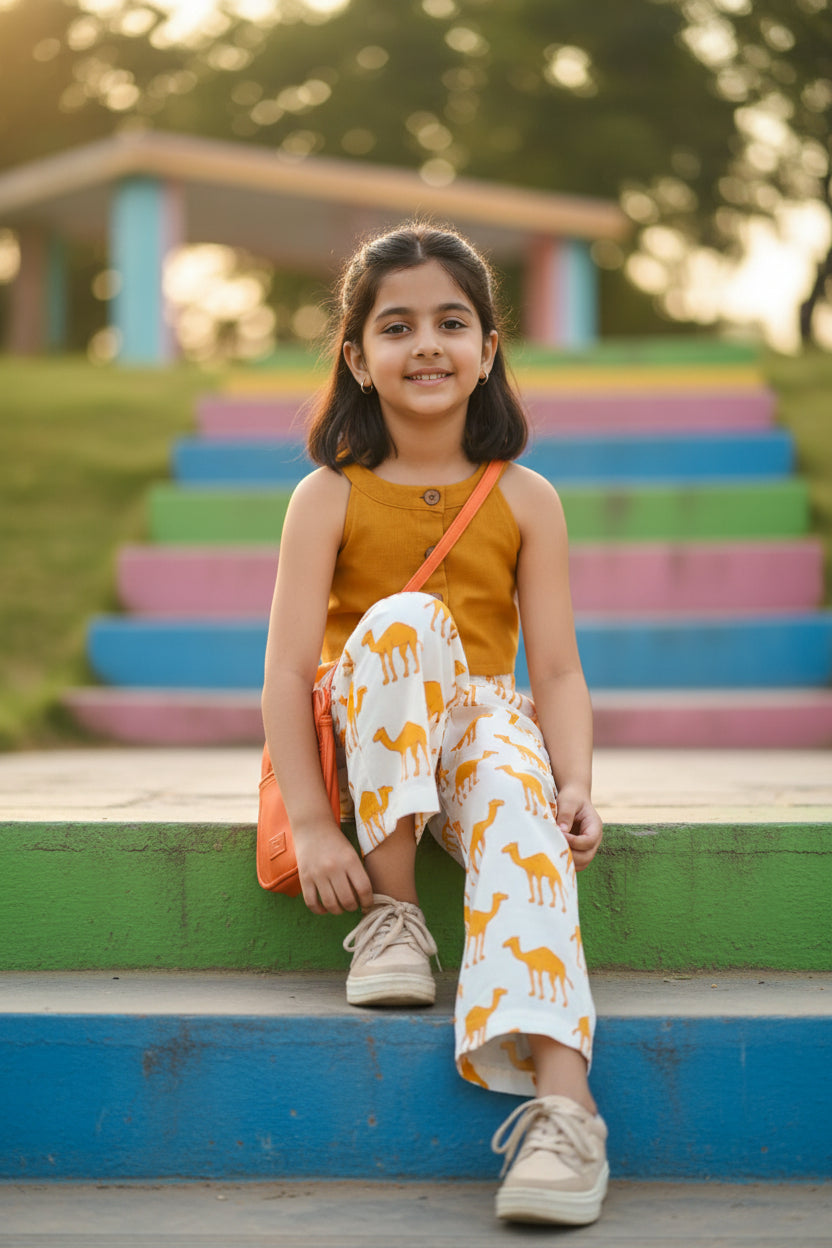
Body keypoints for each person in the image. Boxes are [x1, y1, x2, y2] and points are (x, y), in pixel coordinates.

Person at [261, 221, 607, 1227]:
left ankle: (566, 1113)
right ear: (356, 358)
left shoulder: (527, 499)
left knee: (518, 797)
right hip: (368, 727)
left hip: (484, 722)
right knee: (406, 623)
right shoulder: (326, 496)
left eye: (452, 323)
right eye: (396, 325)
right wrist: (317, 827)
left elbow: (557, 670)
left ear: (488, 351)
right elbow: (286, 673)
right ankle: (394, 914)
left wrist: (573, 782)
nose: (426, 345)